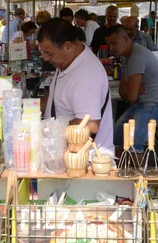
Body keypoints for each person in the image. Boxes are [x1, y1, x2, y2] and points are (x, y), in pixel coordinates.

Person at [39, 18, 114, 157]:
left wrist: (48, 130)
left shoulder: (86, 74)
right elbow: (55, 95)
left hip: (85, 161)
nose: (45, 58)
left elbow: (90, 125)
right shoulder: (67, 62)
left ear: (67, 46)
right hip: (64, 155)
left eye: (49, 53)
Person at [105, 25, 158, 152]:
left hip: (157, 105)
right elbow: (123, 91)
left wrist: (129, 90)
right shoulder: (127, 57)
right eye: (109, 44)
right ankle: (119, 170)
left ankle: (137, 171)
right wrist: (129, 89)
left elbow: (131, 96)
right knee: (114, 139)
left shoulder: (137, 56)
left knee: (134, 143)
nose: (111, 48)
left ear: (125, 39)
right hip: (140, 105)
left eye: (114, 43)